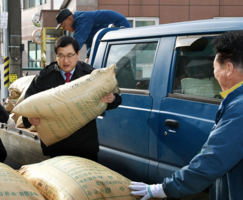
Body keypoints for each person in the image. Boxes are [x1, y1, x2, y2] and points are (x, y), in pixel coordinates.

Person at [129, 30, 243, 200]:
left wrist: (166, 188)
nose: (214, 75)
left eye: (214, 68)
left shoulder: (239, 108)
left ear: (228, 68)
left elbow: (213, 160)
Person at [22, 36, 122, 162]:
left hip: (84, 145)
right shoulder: (45, 77)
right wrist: (30, 119)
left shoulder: (90, 75)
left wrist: (112, 98)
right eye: (61, 55)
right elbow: (27, 104)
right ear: (55, 56)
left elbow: (117, 100)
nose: (66, 60)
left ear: (78, 54)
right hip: (56, 147)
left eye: (70, 55)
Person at [55, 9, 131, 62]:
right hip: (115, 32)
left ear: (69, 19)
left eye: (62, 25)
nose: (63, 29)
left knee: (117, 61)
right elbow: (92, 43)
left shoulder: (83, 19)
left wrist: (63, 58)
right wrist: (88, 57)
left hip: (122, 28)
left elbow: (75, 44)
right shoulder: (82, 23)